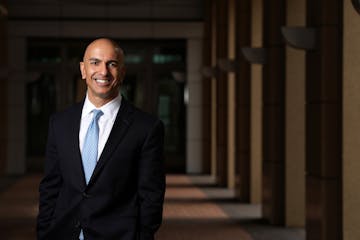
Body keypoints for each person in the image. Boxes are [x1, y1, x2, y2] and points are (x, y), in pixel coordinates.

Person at [37, 38, 166, 240]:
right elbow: (50, 187)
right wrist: (44, 232)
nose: (103, 72)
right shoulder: (59, 123)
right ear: (83, 69)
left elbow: (151, 195)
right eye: (95, 62)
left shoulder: (146, 127)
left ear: (122, 72)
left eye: (112, 64)